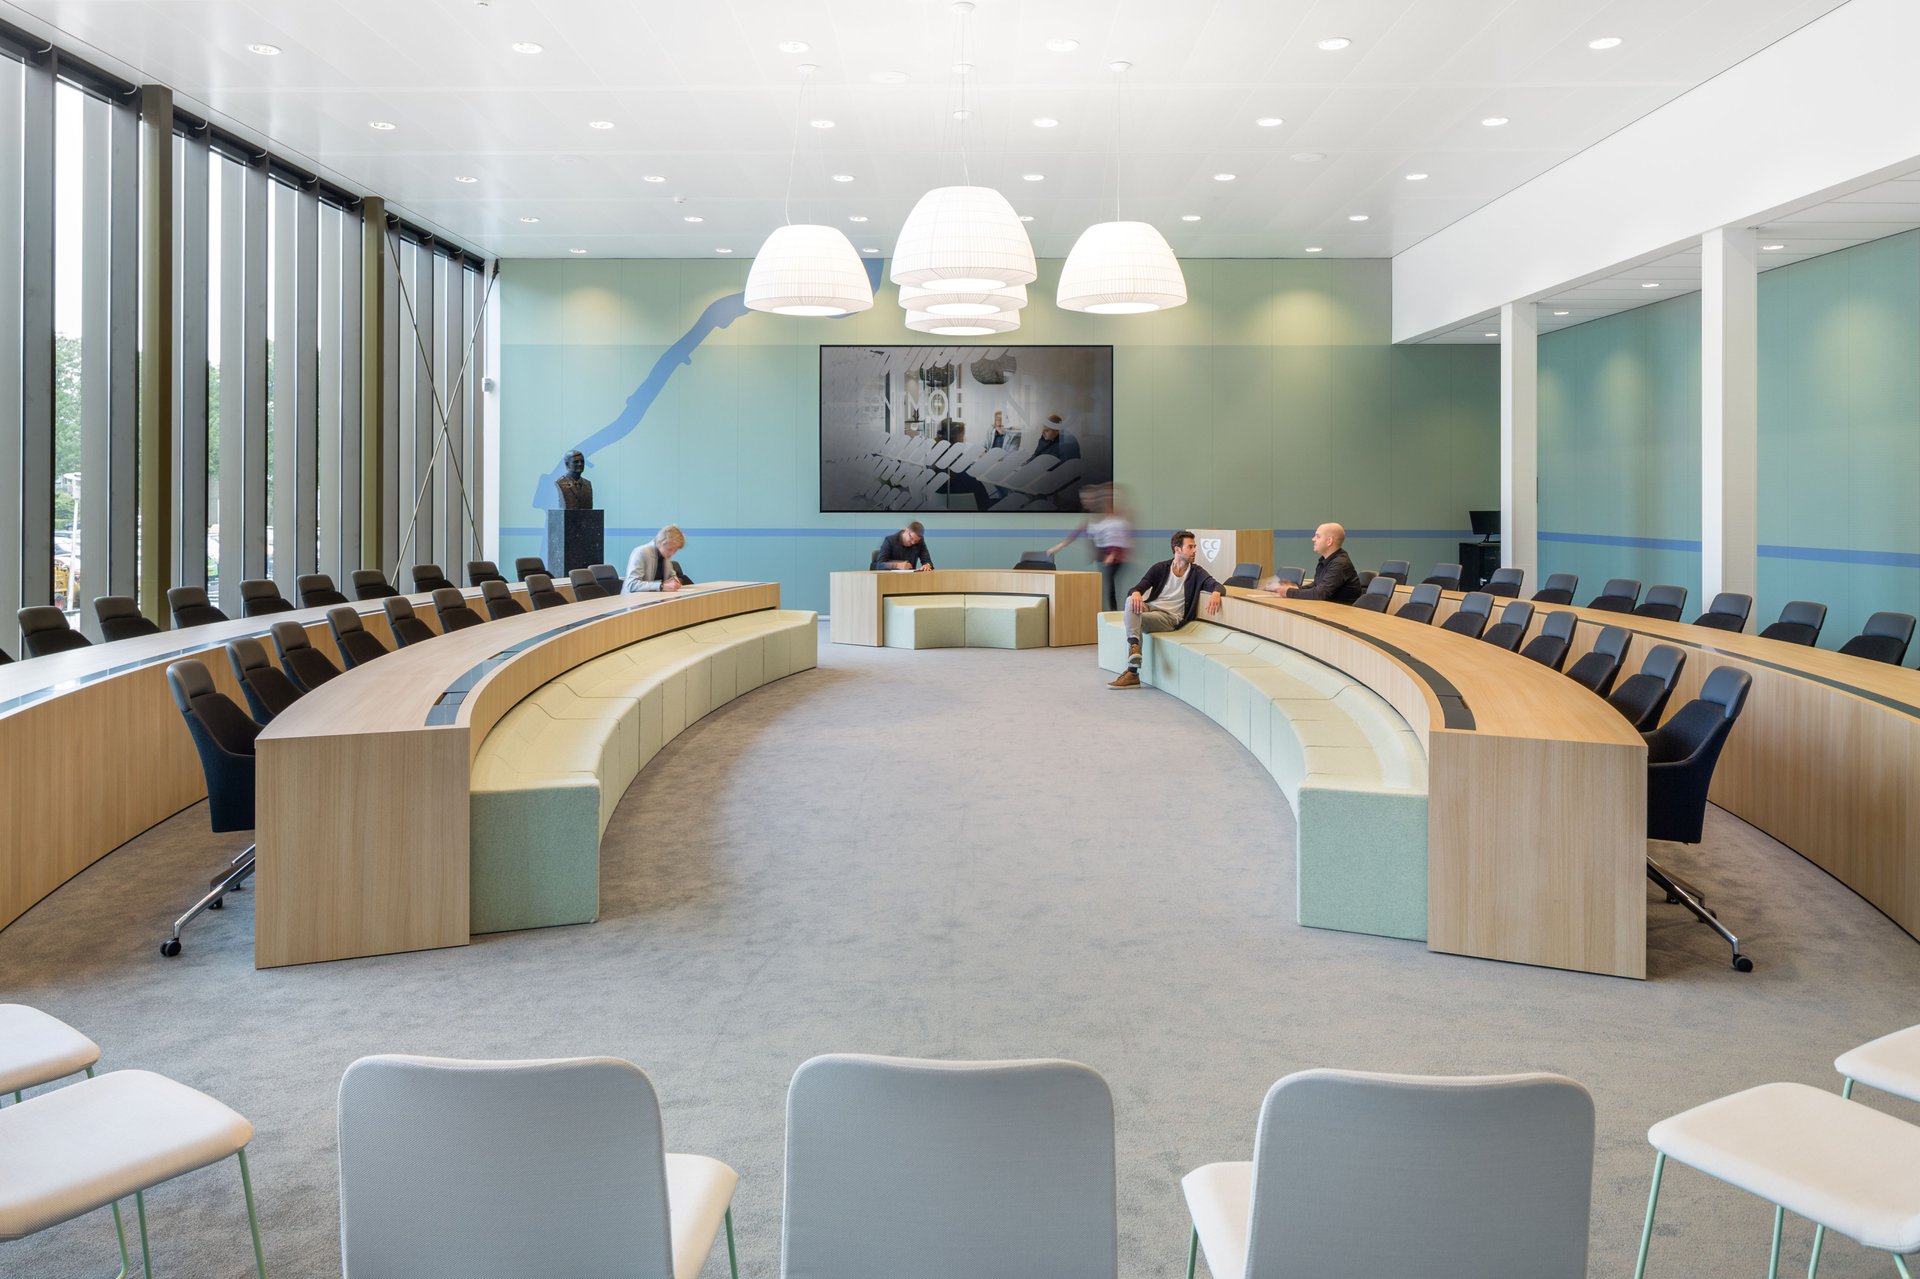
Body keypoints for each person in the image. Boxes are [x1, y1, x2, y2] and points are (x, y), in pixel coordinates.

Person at [1107, 530, 1224, 689]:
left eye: (1195, 547)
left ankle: (1132, 672)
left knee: (1134, 619)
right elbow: (1138, 587)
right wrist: (1135, 593)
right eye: (1190, 547)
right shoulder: (1160, 568)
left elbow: (1217, 585)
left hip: (1170, 618)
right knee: (1130, 601)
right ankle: (1134, 647)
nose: (1195, 550)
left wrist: (1216, 593)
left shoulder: (1197, 572)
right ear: (1177, 549)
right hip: (1151, 607)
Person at [1049, 483, 1133, 612]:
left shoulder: (1111, 515)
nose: (1084, 502)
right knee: (1105, 586)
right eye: (1083, 499)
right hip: (1103, 555)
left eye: (1087, 498)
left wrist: (1113, 554)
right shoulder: (1094, 516)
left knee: (1108, 587)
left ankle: (1111, 613)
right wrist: (1060, 546)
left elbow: (1117, 533)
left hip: (1114, 557)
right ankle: (1106, 612)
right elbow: (1078, 531)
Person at [1269, 523, 1364, 604]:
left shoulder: (1340, 563)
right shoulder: (1325, 560)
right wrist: (1296, 588)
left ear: (1329, 541)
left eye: (1317, 536)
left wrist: (1288, 592)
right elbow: (1316, 585)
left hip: (1344, 615)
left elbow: (1320, 593)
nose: (1313, 539)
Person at [624, 525, 688, 593]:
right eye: (669, 549)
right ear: (661, 543)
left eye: (675, 551)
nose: (672, 554)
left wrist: (675, 582)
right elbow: (632, 584)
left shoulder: (665, 556)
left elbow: (672, 576)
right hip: (632, 600)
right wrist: (661, 586)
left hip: (653, 599)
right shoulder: (641, 552)